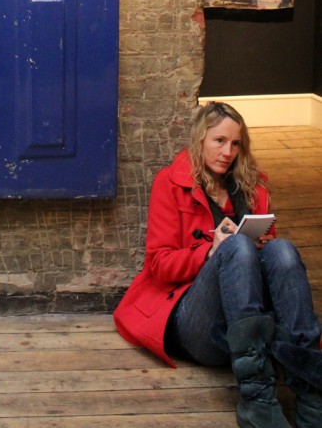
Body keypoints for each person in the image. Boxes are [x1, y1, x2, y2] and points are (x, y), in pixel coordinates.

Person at [114, 101, 322, 428]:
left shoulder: (253, 187)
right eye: (219, 141)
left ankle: (311, 393)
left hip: (250, 324)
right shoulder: (170, 183)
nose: (228, 152)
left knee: (282, 249)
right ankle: (257, 399)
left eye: (236, 144)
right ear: (200, 139)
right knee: (236, 246)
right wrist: (209, 252)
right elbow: (160, 265)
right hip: (197, 324)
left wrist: (262, 246)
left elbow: (272, 266)